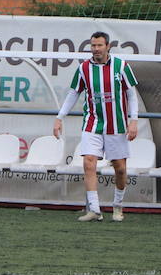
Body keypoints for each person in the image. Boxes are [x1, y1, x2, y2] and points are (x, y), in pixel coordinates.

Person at [53, 30, 139, 223]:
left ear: (108, 46)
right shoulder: (84, 68)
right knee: (88, 162)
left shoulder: (121, 66)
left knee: (120, 168)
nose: (96, 49)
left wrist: (134, 120)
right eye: (93, 45)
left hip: (117, 124)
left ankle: (117, 207)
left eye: (99, 45)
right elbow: (73, 93)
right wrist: (59, 118)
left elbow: (132, 95)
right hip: (92, 122)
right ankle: (94, 210)